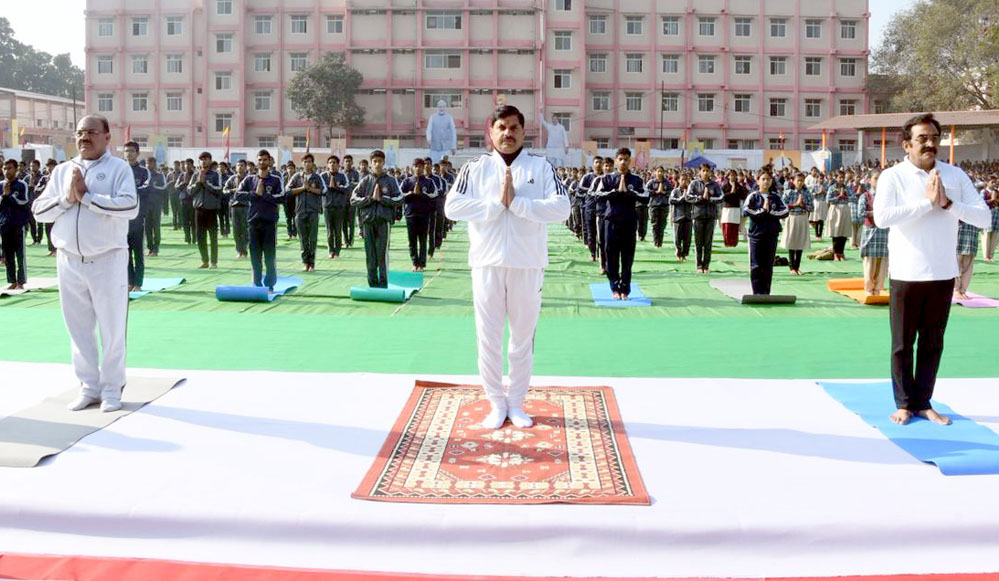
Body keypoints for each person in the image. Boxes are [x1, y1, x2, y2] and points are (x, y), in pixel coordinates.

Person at [444, 105, 570, 430]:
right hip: (486, 263)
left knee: (522, 339)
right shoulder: (476, 168)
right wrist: (495, 205)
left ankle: (515, 403)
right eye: (501, 127)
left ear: (523, 132)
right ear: (491, 132)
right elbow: (452, 207)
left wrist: (519, 204)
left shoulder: (540, 167)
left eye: (514, 127)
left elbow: (562, 208)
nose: (508, 133)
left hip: (527, 264)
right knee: (488, 338)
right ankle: (496, 404)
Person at [873, 113, 991, 426]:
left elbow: (984, 218)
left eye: (934, 138)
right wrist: (928, 203)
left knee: (932, 343)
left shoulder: (954, 175)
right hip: (906, 273)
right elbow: (882, 218)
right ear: (906, 144)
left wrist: (949, 204)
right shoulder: (893, 176)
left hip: (942, 273)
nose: (929, 144)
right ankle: (904, 403)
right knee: (902, 345)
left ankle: (924, 402)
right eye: (922, 138)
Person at [32, 114, 139, 412]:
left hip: (107, 259)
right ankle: (89, 387)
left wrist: (88, 197)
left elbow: (130, 206)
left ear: (107, 137)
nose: (84, 137)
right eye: (80, 132)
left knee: (112, 328)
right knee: (78, 329)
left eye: (91, 132)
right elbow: (39, 211)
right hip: (69, 260)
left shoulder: (118, 169)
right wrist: (67, 199)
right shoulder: (62, 171)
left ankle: (112, 388)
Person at [592, 148, 647, 299]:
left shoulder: (636, 180)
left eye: (626, 159)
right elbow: (598, 195)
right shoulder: (607, 179)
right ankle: (614, 287)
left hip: (629, 222)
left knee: (628, 257)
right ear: (616, 161)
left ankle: (625, 288)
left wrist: (630, 193)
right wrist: (615, 192)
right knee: (611, 256)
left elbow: (646, 196)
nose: (623, 162)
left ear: (630, 161)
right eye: (620, 159)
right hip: (611, 222)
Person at [350, 150, 403, 288]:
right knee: (370, 254)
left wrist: (383, 199)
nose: (377, 164)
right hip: (368, 221)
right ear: (371, 163)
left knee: (382, 254)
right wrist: (370, 199)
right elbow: (353, 199)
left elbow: (400, 198)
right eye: (375, 161)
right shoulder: (365, 180)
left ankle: (383, 283)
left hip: (383, 221)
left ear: (384, 162)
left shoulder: (390, 180)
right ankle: (372, 284)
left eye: (380, 161)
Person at [235, 150, 284, 290]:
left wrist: (267, 196)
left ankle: (270, 285)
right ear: (257, 162)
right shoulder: (249, 180)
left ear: (269, 161)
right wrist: (254, 194)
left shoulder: (276, 179)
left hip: (269, 222)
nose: (262, 162)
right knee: (255, 256)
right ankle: (257, 284)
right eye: (260, 160)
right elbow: (237, 195)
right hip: (253, 222)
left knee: (269, 256)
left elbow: (282, 196)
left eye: (265, 159)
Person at [744, 169, 789, 295]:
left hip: (771, 234)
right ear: (758, 181)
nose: (766, 182)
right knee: (756, 265)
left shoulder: (775, 197)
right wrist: (762, 211)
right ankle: (757, 292)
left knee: (768, 265)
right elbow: (746, 210)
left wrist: (771, 213)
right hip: (756, 235)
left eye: (768, 179)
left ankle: (766, 292)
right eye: (763, 179)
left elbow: (785, 211)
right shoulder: (753, 196)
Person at [286, 153, 325, 271]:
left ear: (313, 163)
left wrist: (310, 189)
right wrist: (302, 188)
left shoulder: (317, 177)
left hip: (313, 211)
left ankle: (312, 263)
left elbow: (324, 191)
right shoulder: (297, 177)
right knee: (303, 239)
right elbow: (287, 191)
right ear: (302, 163)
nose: (307, 164)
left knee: (312, 239)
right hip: (300, 211)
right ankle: (305, 262)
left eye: (309, 161)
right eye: (305, 162)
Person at [399, 158, 438, 271]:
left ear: (423, 167)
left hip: (424, 214)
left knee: (423, 240)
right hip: (410, 214)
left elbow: (434, 195)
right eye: (415, 166)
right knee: (412, 241)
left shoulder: (429, 182)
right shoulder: (407, 181)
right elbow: (400, 195)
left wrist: (421, 194)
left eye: (420, 166)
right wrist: (411, 193)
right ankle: (415, 263)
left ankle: (422, 264)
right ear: (412, 167)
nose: (418, 168)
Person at [685, 164, 723, 273]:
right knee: (698, 242)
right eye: (703, 170)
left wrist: (710, 199)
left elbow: (721, 197)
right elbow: (688, 197)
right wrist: (701, 198)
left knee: (708, 242)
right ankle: (698, 265)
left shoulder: (715, 185)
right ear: (699, 171)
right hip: (698, 215)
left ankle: (706, 266)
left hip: (710, 216)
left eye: (707, 170)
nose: (705, 173)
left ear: (710, 172)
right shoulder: (694, 184)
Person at [189, 152, 223, 269]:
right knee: (200, 237)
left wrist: (206, 184)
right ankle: (204, 261)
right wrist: (198, 183)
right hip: (199, 209)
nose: (203, 161)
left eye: (206, 159)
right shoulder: (195, 175)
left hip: (211, 209)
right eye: (201, 159)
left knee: (213, 237)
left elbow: (219, 189)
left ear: (210, 160)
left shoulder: (216, 174)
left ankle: (214, 262)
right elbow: (189, 190)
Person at [1, 159, 31, 289]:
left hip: (18, 224)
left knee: (20, 254)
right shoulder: (1, 185)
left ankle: (21, 281)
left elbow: (24, 202)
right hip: (4, 224)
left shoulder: (21, 184)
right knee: (8, 255)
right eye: (5, 168)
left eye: (10, 168)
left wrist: (10, 197)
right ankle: (12, 281)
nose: (7, 171)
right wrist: (4, 196)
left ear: (16, 169)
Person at [123, 142, 149, 291]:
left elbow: (146, 188)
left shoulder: (144, 171)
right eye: (126, 151)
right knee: (124, 252)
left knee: (138, 252)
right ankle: (129, 282)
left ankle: (138, 283)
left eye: (132, 151)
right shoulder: (119, 170)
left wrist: (129, 191)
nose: (129, 154)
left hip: (138, 218)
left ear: (137, 153)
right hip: (122, 218)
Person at [858, 169, 889, 295]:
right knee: (870, 261)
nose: (878, 181)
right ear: (869, 180)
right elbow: (861, 213)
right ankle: (869, 288)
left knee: (883, 261)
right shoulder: (865, 196)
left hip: (884, 232)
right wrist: (876, 213)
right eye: (876, 178)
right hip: (870, 231)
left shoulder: (888, 196)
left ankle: (878, 288)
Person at [781, 173, 813, 275]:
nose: (800, 182)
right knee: (791, 242)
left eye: (802, 180)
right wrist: (795, 205)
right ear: (793, 181)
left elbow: (812, 207)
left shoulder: (806, 193)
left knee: (800, 243)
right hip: (792, 216)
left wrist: (803, 205)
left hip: (802, 217)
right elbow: (783, 206)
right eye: (798, 180)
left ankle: (797, 266)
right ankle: (792, 267)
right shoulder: (788, 192)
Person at [321, 155, 350, 259]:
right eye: (330, 162)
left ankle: (337, 251)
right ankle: (330, 250)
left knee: (338, 230)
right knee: (329, 231)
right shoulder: (323, 176)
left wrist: (336, 187)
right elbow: (321, 188)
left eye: (334, 162)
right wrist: (329, 187)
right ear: (327, 165)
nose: (332, 164)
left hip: (339, 207)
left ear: (338, 165)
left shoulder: (342, 176)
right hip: (327, 206)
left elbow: (347, 188)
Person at [225, 159, 249, 258]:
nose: (240, 167)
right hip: (234, 206)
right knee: (236, 230)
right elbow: (224, 190)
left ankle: (245, 249)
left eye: (242, 165)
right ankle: (239, 251)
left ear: (246, 167)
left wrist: (243, 192)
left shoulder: (249, 179)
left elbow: (254, 190)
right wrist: (232, 190)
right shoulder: (232, 178)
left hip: (246, 205)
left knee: (245, 229)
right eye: (238, 165)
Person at [826, 173, 854, 260]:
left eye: (843, 177)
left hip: (845, 209)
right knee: (836, 231)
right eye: (840, 177)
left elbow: (853, 198)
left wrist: (845, 196)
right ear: (836, 178)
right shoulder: (832, 188)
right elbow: (828, 199)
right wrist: (838, 197)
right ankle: (835, 253)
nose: (841, 179)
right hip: (835, 209)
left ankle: (841, 252)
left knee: (844, 231)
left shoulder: (847, 188)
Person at [144, 156, 167, 257]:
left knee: (156, 227)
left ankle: (156, 249)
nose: (149, 165)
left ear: (154, 164)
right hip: (146, 205)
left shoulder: (159, 176)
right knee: (147, 227)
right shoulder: (144, 175)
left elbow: (164, 187)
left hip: (156, 205)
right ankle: (150, 248)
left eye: (151, 163)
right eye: (147, 163)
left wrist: (154, 187)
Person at [720, 170, 747, 247]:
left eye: (734, 175)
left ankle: (734, 242)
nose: (733, 177)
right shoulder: (725, 186)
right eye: (731, 175)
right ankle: (727, 242)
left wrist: (740, 191)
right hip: (727, 208)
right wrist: (731, 193)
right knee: (727, 225)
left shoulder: (739, 186)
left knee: (735, 226)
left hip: (736, 208)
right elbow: (723, 197)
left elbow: (743, 196)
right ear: (728, 176)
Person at [646, 166, 671, 248]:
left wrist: (663, 192)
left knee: (662, 225)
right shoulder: (651, 182)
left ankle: (660, 242)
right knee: (655, 224)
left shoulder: (667, 182)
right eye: (658, 171)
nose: (660, 173)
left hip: (664, 205)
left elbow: (670, 192)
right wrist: (656, 192)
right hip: (654, 205)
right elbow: (646, 191)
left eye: (661, 171)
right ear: (655, 172)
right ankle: (656, 242)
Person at [669, 174, 693, 261]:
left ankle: (685, 254)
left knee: (687, 238)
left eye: (686, 180)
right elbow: (671, 200)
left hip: (688, 217)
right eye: (682, 179)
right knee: (677, 237)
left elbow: (694, 200)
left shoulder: (691, 191)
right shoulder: (675, 191)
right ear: (679, 180)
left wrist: (688, 197)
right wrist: (681, 198)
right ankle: (678, 253)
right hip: (678, 217)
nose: (684, 181)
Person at [426, 99, 458, 164]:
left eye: (443, 106)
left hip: (446, 147)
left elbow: (453, 132)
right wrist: (428, 138)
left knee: (444, 164)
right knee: (434, 164)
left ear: (445, 107)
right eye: (440, 106)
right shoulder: (432, 117)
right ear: (437, 107)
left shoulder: (449, 117)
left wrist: (453, 146)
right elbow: (429, 129)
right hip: (435, 147)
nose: (441, 108)